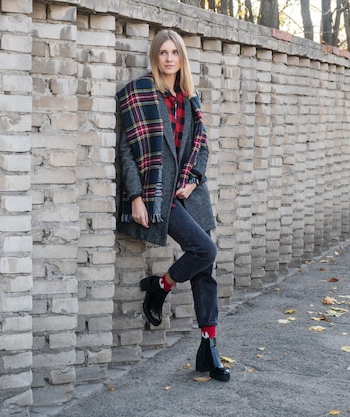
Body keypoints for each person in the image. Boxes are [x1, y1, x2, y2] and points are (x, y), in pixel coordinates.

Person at [116, 29, 230, 382]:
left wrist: (193, 179)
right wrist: (136, 196)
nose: (168, 58)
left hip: (188, 192)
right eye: (162, 52)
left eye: (174, 53)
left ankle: (208, 347)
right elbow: (126, 152)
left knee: (204, 269)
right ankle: (160, 286)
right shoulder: (137, 94)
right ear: (155, 57)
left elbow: (203, 146)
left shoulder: (189, 98)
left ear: (181, 59)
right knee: (205, 250)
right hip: (156, 192)